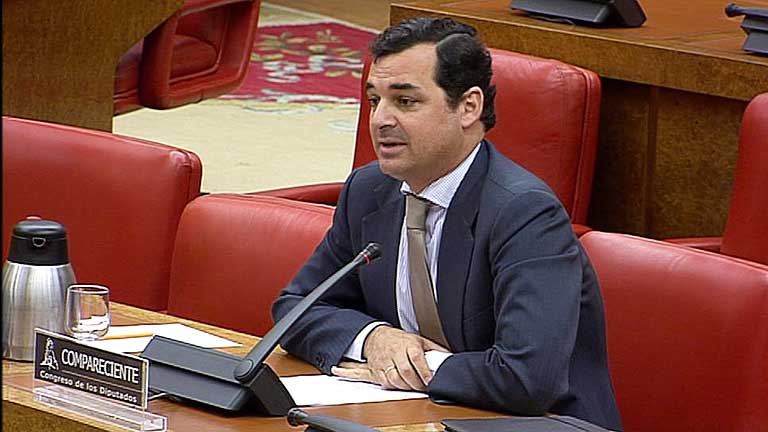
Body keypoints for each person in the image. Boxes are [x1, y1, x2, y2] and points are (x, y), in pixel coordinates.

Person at [272, 16, 622, 431]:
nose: (380, 119)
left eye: (405, 101)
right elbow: (295, 308)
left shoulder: (524, 212)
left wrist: (419, 365)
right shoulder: (369, 190)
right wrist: (375, 339)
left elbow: (528, 378)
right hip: (417, 417)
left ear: (468, 107)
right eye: (374, 101)